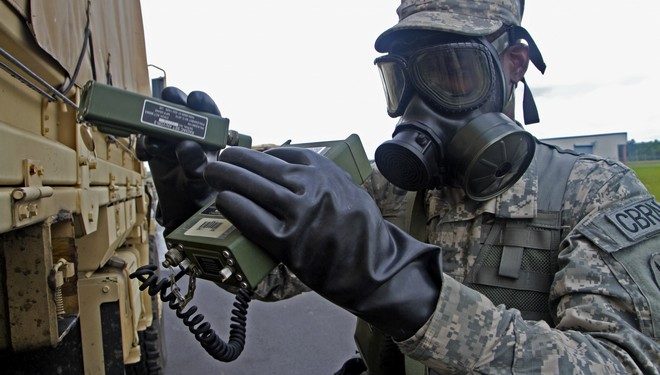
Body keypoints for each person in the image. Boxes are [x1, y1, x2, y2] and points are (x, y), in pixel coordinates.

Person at [137, 0, 660, 373]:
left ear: (513, 64)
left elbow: (621, 363)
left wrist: (397, 286)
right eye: (402, 79)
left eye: (450, 72)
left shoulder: (597, 194)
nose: (417, 106)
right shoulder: (389, 188)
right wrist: (195, 199)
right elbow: (271, 278)